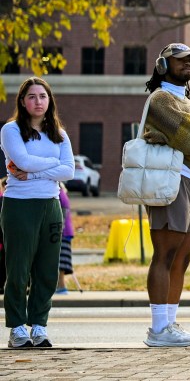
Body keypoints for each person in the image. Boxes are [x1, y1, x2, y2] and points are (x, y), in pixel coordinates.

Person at [141, 44, 190, 348]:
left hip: (188, 182)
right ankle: (158, 328)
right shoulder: (160, 99)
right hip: (167, 181)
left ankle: (170, 323)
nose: (188, 65)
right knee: (166, 254)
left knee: (181, 258)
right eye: (180, 60)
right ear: (163, 65)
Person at [1, 77, 74, 348]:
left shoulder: (59, 134)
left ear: (49, 100)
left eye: (42, 96)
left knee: (47, 270)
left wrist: (32, 175)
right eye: (31, 96)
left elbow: (69, 170)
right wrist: (52, 165)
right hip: (20, 206)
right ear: (22, 101)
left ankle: (39, 326)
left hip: (51, 206)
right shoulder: (11, 130)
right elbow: (21, 160)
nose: (38, 102)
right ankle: (18, 328)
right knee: (18, 269)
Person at [56, 183, 75, 295]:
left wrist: (59, 230)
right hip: (64, 231)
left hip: (61, 232)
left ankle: (61, 286)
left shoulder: (59, 194)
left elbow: (62, 213)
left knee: (60, 261)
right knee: (60, 261)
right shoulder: (62, 193)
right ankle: (60, 286)